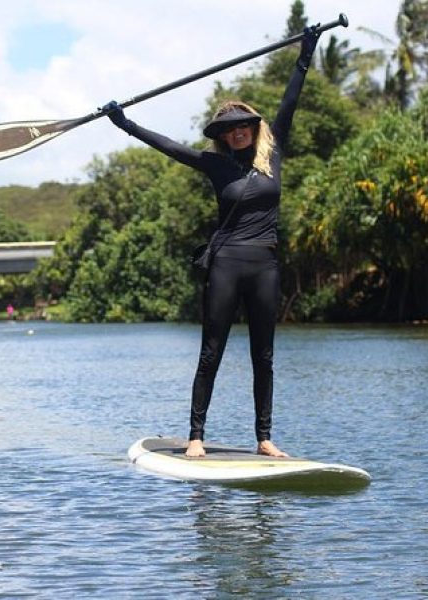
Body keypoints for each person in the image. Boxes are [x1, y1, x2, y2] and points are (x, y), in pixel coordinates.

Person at [103, 27, 322, 458]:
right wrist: (124, 123)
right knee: (212, 352)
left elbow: (290, 101)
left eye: (243, 126)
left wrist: (306, 52)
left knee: (264, 355)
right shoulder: (215, 165)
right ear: (222, 136)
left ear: (252, 128)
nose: (237, 132)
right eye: (229, 129)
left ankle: (264, 439)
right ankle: (196, 437)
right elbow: (166, 145)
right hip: (226, 265)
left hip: (265, 266)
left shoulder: (272, 151)